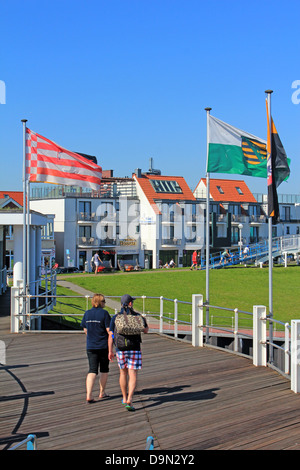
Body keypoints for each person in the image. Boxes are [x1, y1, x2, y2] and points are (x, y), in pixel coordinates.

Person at [108, 294, 148, 412]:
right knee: (133, 374)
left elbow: (111, 335)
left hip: (120, 349)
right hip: (135, 348)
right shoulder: (137, 316)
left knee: (122, 373)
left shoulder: (115, 317)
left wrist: (110, 350)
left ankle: (124, 398)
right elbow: (146, 330)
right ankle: (130, 398)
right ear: (130, 303)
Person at [81, 293, 111, 403]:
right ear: (100, 302)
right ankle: (102, 392)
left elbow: (85, 329)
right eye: (103, 301)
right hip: (103, 345)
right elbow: (109, 330)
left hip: (91, 345)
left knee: (92, 370)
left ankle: (89, 394)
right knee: (104, 369)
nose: (105, 303)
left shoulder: (87, 313)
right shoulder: (104, 314)